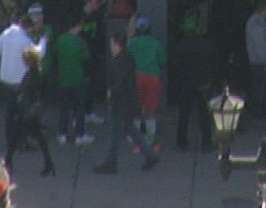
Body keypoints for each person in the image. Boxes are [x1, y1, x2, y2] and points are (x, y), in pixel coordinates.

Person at [92, 35, 159, 174]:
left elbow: (118, 84)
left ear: (117, 44)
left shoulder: (117, 62)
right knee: (131, 131)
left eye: (112, 43)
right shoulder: (127, 59)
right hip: (128, 103)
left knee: (115, 134)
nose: (110, 46)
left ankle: (111, 163)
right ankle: (151, 155)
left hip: (120, 104)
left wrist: (111, 97)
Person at [0, 5, 47, 156]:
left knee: (9, 113)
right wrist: (43, 42)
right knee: (22, 113)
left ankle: (10, 141)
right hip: (21, 82)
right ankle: (21, 142)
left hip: (6, 79)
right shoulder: (24, 40)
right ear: (28, 27)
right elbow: (38, 55)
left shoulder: (6, 33)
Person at [171, 14, 219, 151]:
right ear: (198, 29)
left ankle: (181, 142)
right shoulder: (207, 44)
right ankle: (206, 142)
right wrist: (214, 80)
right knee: (205, 113)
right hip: (205, 82)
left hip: (186, 83)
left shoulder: (181, 45)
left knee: (184, 113)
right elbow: (215, 64)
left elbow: (175, 65)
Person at [7, 48, 56, 177]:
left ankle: (8, 161)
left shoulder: (31, 75)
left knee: (17, 136)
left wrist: (20, 92)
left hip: (26, 111)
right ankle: (48, 163)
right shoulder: (36, 73)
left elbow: (29, 92)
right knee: (35, 137)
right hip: (30, 111)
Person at [51, 20, 93, 145]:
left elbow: (54, 56)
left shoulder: (59, 40)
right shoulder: (80, 42)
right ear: (78, 26)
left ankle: (62, 133)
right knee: (79, 108)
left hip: (63, 79)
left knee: (64, 107)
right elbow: (86, 60)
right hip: (78, 79)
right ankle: (80, 134)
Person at [126, 17, 166, 147]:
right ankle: (150, 136)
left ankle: (134, 135)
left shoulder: (131, 43)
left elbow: (125, 59)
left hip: (135, 76)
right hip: (152, 77)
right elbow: (162, 60)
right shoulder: (155, 43)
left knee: (135, 108)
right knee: (151, 108)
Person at [245, 0, 266, 121]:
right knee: (260, 87)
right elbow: (260, 47)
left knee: (260, 86)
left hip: (259, 61)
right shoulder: (257, 23)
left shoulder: (258, 22)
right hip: (260, 62)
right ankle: (257, 111)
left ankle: (258, 109)